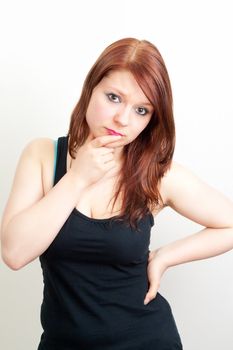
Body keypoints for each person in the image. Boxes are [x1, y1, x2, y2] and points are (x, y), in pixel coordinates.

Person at [1, 37, 233, 350]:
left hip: (147, 340)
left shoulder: (157, 175)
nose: (123, 119)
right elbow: (14, 254)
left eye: (141, 110)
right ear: (90, 89)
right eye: (113, 97)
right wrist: (77, 178)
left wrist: (165, 257)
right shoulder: (43, 156)